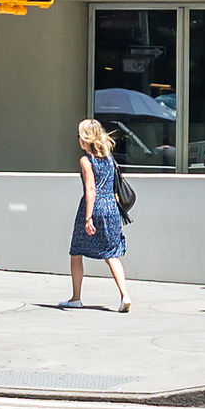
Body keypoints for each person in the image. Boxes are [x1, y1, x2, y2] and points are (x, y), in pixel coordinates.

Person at [65, 117, 133, 312]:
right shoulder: (109, 158)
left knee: (76, 252)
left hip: (94, 207)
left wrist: (88, 217)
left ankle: (76, 297)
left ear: (85, 138)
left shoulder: (86, 160)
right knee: (112, 254)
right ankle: (124, 295)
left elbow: (91, 188)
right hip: (112, 207)